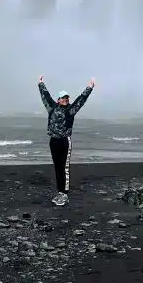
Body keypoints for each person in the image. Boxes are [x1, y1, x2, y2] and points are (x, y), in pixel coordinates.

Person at [37, 74, 95, 206]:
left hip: (64, 141)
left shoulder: (70, 110)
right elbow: (45, 96)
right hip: (53, 141)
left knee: (64, 168)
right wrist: (40, 83)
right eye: (63, 97)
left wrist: (90, 87)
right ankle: (60, 192)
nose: (66, 99)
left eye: (67, 97)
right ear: (58, 99)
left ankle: (64, 194)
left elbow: (81, 99)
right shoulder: (51, 107)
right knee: (57, 167)